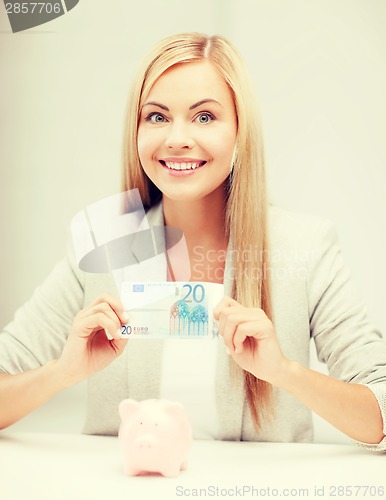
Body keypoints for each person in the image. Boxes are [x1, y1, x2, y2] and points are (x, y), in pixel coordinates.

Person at [0, 32, 385, 449]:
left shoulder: (306, 247)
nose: (177, 138)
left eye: (204, 117)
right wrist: (62, 372)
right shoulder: (103, 242)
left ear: (240, 130)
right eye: (157, 117)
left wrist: (284, 371)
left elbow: (378, 414)